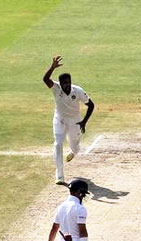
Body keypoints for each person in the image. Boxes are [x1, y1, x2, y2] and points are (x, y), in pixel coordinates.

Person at [43, 56, 95, 185]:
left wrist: (84, 122)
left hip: (75, 121)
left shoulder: (78, 91)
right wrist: (52, 67)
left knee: (75, 147)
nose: (67, 84)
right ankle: (59, 175)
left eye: (69, 82)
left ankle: (73, 151)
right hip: (59, 119)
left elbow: (91, 105)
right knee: (58, 144)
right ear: (60, 83)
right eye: (65, 83)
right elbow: (45, 79)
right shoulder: (56, 88)